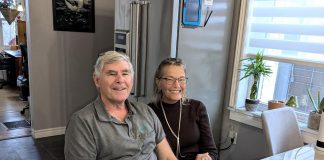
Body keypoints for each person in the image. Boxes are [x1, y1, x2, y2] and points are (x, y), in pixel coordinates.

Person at [64, 51, 177, 160]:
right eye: (112, 74)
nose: (120, 80)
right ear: (97, 80)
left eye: (125, 73)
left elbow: (167, 156)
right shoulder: (82, 122)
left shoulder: (146, 111)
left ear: (131, 80)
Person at [148, 58, 218, 160]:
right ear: (158, 83)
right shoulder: (149, 111)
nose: (177, 85)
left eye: (181, 79)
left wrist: (206, 158)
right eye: (170, 79)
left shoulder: (197, 107)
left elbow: (212, 151)